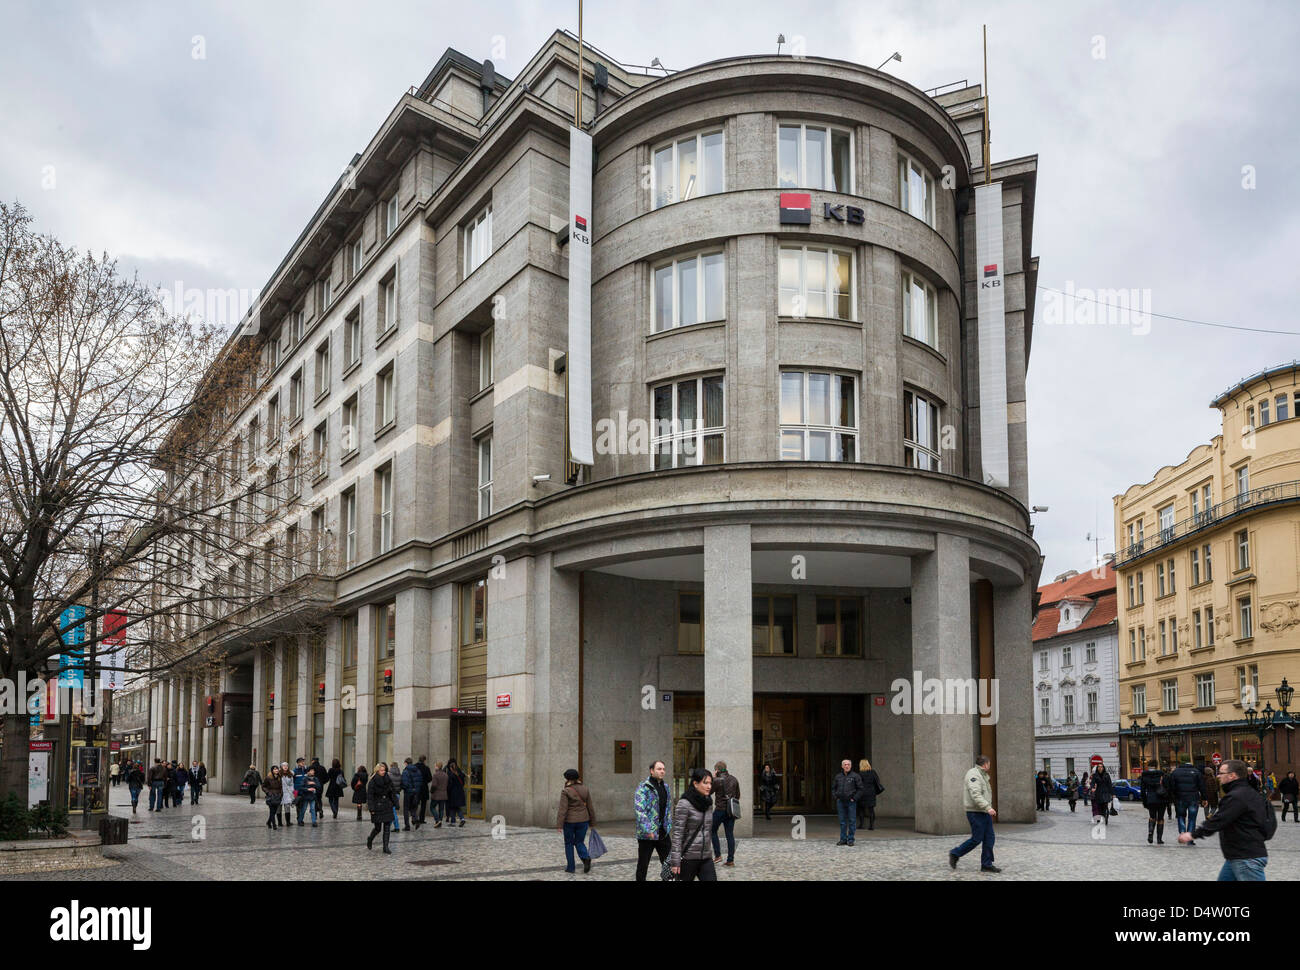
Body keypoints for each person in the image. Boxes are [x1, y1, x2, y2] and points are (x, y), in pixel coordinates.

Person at [1179, 759, 1270, 880]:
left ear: (1232, 775)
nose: (1218, 776)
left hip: (1246, 858)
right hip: (1238, 856)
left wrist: (1193, 835)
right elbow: (1270, 825)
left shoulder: (1235, 797)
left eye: (1222, 773)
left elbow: (1219, 820)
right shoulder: (1254, 795)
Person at [948, 755, 998, 873]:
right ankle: (955, 853)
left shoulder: (982, 775)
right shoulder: (973, 774)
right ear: (985, 764)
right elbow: (975, 794)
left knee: (989, 838)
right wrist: (987, 807)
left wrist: (986, 809)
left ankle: (986, 864)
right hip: (976, 812)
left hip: (983, 812)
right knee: (977, 839)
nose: (989, 766)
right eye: (989, 764)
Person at [670, 768, 716, 882]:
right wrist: (675, 861)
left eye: (710, 783)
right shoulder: (684, 803)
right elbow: (677, 834)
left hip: (706, 857)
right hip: (687, 858)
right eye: (705, 783)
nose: (709, 786)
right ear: (695, 784)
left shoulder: (708, 803)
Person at [633, 760, 672, 881]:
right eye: (659, 769)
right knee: (643, 865)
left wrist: (668, 825)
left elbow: (668, 807)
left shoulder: (666, 787)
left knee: (669, 863)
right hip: (647, 835)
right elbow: (640, 810)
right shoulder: (643, 787)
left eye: (663, 769)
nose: (662, 771)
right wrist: (648, 829)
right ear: (651, 771)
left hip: (663, 832)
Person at [556, 768, 596, 873]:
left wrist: (559, 824)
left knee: (568, 843)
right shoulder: (585, 789)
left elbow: (562, 809)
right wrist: (592, 822)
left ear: (567, 778)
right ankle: (586, 857)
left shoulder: (566, 791)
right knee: (579, 841)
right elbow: (590, 807)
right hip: (584, 820)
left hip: (569, 821)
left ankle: (571, 867)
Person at [710, 760, 739, 867]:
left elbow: (709, 792)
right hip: (731, 811)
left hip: (720, 810)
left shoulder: (717, 780)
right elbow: (737, 796)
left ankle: (718, 856)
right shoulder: (734, 779)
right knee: (730, 834)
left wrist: (713, 778)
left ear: (717, 770)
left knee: (712, 831)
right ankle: (730, 860)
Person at [1168, 758, 1207, 839]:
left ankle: (1182, 832)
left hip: (1180, 798)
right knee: (1192, 818)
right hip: (1193, 798)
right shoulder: (1197, 772)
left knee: (1181, 816)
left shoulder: (1175, 772)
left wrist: (1174, 797)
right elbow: (1202, 787)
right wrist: (1204, 798)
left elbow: (1171, 787)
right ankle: (1189, 836)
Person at [366, 762, 399, 854]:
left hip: (387, 805)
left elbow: (392, 792)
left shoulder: (388, 780)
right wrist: (371, 808)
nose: (383, 772)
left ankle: (385, 847)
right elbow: (370, 796)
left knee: (387, 827)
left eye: (384, 770)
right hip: (377, 806)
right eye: (381, 770)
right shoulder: (372, 782)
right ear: (377, 771)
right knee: (378, 828)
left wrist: (396, 803)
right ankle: (370, 838)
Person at [832, 758, 864, 846]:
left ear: (851, 766)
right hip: (840, 802)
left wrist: (854, 798)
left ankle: (850, 839)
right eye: (845, 764)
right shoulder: (838, 776)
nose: (846, 766)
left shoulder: (855, 776)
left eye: (848, 764)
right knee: (842, 821)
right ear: (842, 766)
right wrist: (836, 797)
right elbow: (833, 788)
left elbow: (861, 789)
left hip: (851, 802)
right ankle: (843, 839)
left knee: (852, 821)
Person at [1138, 759, 1168, 845]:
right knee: (1161, 818)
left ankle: (1150, 833)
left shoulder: (1144, 775)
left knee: (1152, 817)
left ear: (1148, 765)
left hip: (1150, 799)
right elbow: (1166, 787)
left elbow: (1142, 791)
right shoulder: (1161, 774)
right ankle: (1159, 839)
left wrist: (1145, 802)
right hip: (1161, 799)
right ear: (1156, 765)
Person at [400, 757, 424, 830]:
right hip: (416, 792)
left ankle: (407, 826)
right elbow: (420, 781)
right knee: (413, 808)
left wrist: (403, 787)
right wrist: (416, 789)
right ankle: (416, 820)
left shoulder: (405, 771)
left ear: (406, 763)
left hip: (408, 793)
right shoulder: (418, 771)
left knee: (406, 809)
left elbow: (405, 783)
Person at [445, 758, 467, 827]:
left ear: (451, 768)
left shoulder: (450, 775)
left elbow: (449, 785)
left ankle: (453, 822)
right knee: (457, 807)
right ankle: (462, 819)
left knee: (452, 807)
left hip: (453, 793)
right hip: (460, 792)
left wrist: (447, 790)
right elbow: (463, 783)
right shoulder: (460, 773)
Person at [430, 761, 448, 827]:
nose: (434, 767)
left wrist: (431, 791)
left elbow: (434, 785)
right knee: (441, 809)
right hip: (444, 794)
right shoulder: (445, 775)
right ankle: (440, 821)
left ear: (437, 767)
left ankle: (437, 820)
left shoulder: (435, 774)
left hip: (436, 794)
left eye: (435, 766)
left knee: (432, 807)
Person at [416, 755, 433, 825]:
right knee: (423, 805)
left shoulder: (415, 767)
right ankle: (421, 819)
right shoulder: (426, 768)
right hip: (424, 788)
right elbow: (430, 778)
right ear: (424, 760)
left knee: (415, 804)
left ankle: (415, 818)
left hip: (416, 788)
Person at [279, 762, 295, 829]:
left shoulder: (290, 774)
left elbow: (291, 784)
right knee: (278, 807)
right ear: (281, 767)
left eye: (286, 766)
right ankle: (280, 822)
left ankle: (288, 822)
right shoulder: (278, 774)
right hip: (279, 792)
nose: (285, 767)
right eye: (284, 766)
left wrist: (291, 791)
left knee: (287, 807)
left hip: (287, 793)